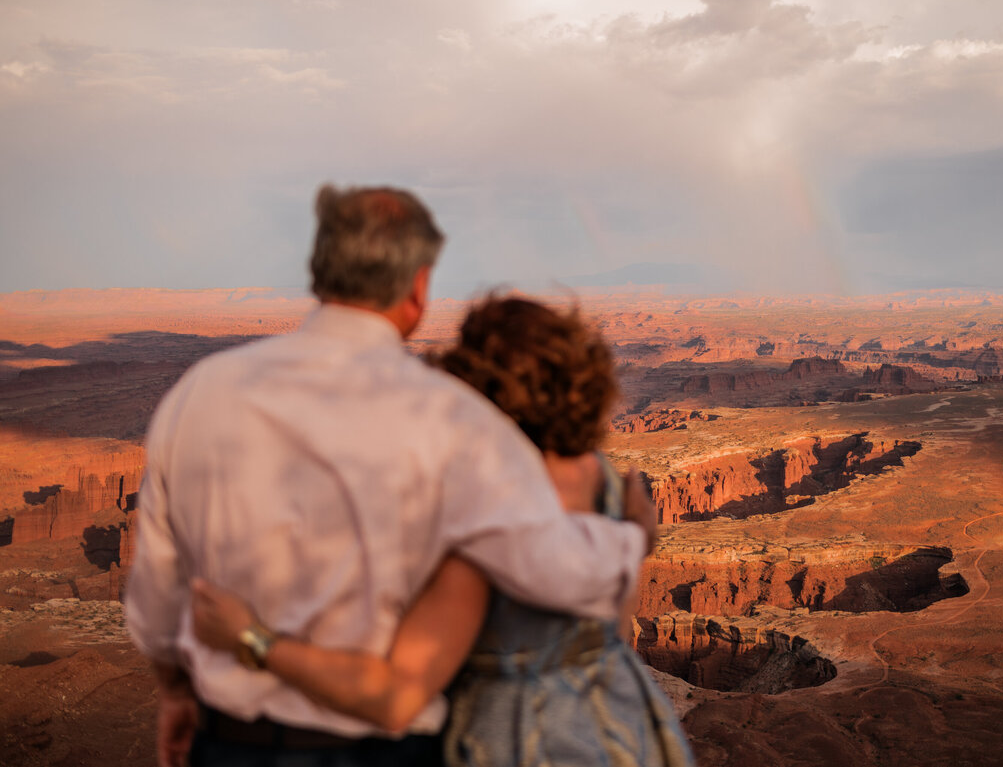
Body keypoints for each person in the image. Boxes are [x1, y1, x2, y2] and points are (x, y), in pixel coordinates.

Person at [125, 186, 656, 767]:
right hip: (381, 751)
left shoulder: (201, 392)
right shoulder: (453, 421)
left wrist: (176, 692)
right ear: (419, 286)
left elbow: (157, 589)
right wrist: (634, 535)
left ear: (319, 271)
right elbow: (556, 571)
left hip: (228, 743)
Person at [191, 296, 695, 767]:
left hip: (518, 743)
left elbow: (394, 699)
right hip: (626, 728)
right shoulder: (604, 479)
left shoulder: (480, 519)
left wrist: (251, 638)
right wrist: (638, 538)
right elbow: (616, 623)